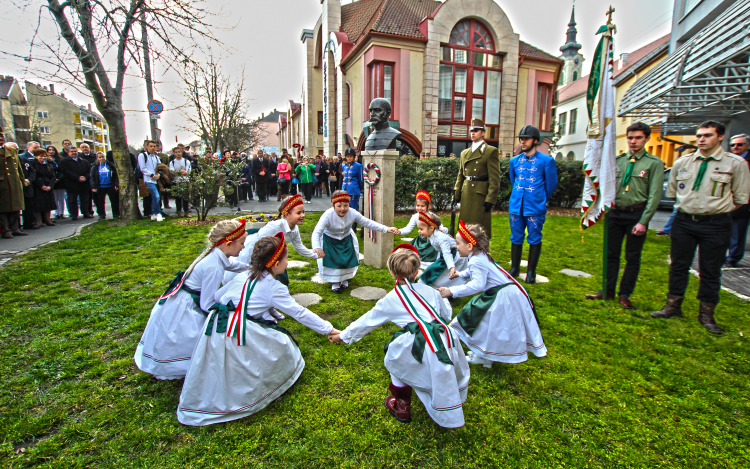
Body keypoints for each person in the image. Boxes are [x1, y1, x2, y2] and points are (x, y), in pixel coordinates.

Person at [177, 233, 338, 426]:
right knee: (283, 345)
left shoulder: (242, 276)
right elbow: (299, 312)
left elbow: (219, 296)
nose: (287, 262)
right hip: (241, 330)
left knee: (220, 366)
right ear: (275, 264)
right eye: (286, 259)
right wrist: (328, 328)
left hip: (217, 329)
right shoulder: (274, 287)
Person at [330, 244, 470, 427]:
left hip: (421, 342)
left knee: (394, 357)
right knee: (437, 368)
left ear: (392, 272)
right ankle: (446, 397)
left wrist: (343, 336)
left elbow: (367, 321)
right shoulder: (431, 291)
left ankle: (402, 405)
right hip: (445, 338)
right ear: (417, 271)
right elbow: (445, 314)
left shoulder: (391, 299)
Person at [652, 121, 750, 334]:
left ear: (720, 137)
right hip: (684, 221)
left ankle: (706, 313)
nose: (701, 139)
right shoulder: (683, 162)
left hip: (716, 223)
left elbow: (741, 198)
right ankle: (672, 306)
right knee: (678, 265)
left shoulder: (735, 164)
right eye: (698, 136)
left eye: (707, 135)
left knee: (711, 270)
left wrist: (714, 210)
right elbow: (672, 192)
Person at [134, 219, 249, 380]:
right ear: (229, 244)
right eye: (242, 243)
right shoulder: (214, 267)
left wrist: (251, 267)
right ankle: (185, 363)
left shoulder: (215, 254)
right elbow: (207, 304)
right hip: (188, 307)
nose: (244, 247)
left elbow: (231, 265)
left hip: (182, 300)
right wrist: (228, 311)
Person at [439, 221, 546, 367]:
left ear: (470, 246)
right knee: (488, 326)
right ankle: (484, 356)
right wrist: (459, 274)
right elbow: (473, 271)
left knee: (484, 323)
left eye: (458, 243)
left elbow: (477, 284)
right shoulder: (479, 255)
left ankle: (481, 354)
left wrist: (451, 291)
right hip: (506, 292)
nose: (455, 246)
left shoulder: (476, 260)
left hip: (501, 297)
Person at [583, 123, 664, 307]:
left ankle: (625, 294)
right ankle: (608, 290)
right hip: (615, 213)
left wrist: (644, 221)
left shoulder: (653, 163)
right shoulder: (617, 161)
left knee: (632, 256)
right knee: (611, 254)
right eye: (630, 137)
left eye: (638, 138)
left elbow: (654, 195)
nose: (633, 142)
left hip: (636, 213)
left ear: (647, 139)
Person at [225, 194, 324, 285]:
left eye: (303, 212)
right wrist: (256, 262)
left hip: (273, 255)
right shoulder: (274, 227)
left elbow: (299, 247)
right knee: (248, 277)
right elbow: (257, 244)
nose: (303, 215)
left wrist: (315, 255)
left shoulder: (295, 229)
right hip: (252, 251)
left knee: (279, 279)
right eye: (299, 213)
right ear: (287, 214)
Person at [312, 190, 399, 293]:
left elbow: (367, 222)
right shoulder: (327, 215)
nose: (343, 209)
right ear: (333, 205)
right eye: (339, 206)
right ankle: (335, 283)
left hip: (346, 238)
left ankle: (345, 279)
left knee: (346, 260)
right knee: (333, 261)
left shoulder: (353, 213)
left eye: (346, 205)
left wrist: (386, 229)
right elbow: (316, 232)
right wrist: (317, 247)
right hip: (330, 240)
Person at [507, 125, 558, 284]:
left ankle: (531, 272)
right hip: (516, 206)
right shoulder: (514, 161)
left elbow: (551, 185)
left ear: (535, 140)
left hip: (535, 207)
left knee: (534, 238)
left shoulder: (547, 161)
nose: (522, 141)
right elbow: (513, 180)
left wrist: (539, 197)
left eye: (526, 139)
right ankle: (514, 268)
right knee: (516, 237)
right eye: (521, 139)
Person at [452, 118, 500, 238]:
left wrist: (490, 198)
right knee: (465, 229)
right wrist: (456, 195)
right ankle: (464, 254)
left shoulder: (490, 151)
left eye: (476, 130)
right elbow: (461, 175)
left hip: (480, 196)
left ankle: (481, 253)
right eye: (472, 130)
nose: (473, 133)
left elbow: (494, 179)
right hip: (467, 193)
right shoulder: (464, 153)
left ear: (483, 133)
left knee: (479, 230)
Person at [416, 212, 467, 288]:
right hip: (445, 255)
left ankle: (432, 286)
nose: (418, 231)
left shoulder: (440, 238)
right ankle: (430, 285)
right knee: (438, 270)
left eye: (421, 229)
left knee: (438, 271)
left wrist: (451, 267)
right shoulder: (432, 234)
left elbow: (447, 253)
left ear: (431, 228)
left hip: (453, 255)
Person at [397, 190, 449, 265]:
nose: (420, 208)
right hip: (421, 240)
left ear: (429, 206)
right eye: (418, 205)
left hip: (431, 241)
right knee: (411, 252)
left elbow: (441, 228)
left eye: (422, 206)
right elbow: (408, 229)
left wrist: (443, 230)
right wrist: (399, 231)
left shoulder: (432, 216)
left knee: (432, 257)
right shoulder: (415, 217)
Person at [0, 128, 30, 238]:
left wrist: (22, 180)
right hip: (2, 184)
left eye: (2, 136)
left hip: (14, 182)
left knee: (16, 206)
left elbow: (18, 168)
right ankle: (5, 230)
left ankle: (15, 228)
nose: (0, 138)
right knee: (3, 208)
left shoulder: (11, 150)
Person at [725, 133, 750, 267]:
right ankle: (724, 256)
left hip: (743, 203)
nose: (735, 147)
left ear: (748, 146)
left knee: (738, 232)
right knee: (724, 231)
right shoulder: (728, 159)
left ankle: (733, 258)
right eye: (733, 145)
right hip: (726, 201)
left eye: (739, 144)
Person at [59, 145, 92, 221]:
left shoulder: (83, 161)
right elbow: (65, 171)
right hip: (71, 184)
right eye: (72, 151)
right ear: (68, 153)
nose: (74, 153)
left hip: (84, 183)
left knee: (85, 199)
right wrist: (77, 178)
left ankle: (85, 212)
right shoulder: (64, 161)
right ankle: (74, 214)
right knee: (72, 200)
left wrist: (85, 177)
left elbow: (89, 171)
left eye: (75, 151)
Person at [138, 140, 164, 221]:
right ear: (146, 147)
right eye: (151, 146)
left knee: (156, 197)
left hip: (156, 179)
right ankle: (158, 213)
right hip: (149, 180)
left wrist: (158, 175)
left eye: (154, 146)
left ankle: (153, 213)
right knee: (156, 196)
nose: (153, 148)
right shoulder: (142, 156)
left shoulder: (156, 157)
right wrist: (152, 175)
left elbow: (160, 167)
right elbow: (143, 168)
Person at [30, 149, 57, 226]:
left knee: (48, 204)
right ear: (36, 156)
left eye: (45, 156)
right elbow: (35, 177)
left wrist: (50, 186)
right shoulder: (33, 165)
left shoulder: (49, 165)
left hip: (48, 186)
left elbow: (53, 177)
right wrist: (42, 186)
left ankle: (47, 219)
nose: (43, 158)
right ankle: (39, 221)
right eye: (41, 156)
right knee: (38, 205)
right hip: (38, 187)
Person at [89, 151, 120, 219]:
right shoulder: (94, 166)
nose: (101, 158)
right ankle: (102, 215)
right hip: (100, 186)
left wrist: (116, 184)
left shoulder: (110, 165)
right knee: (100, 202)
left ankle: (116, 214)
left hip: (110, 186)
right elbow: (92, 177)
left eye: (102, 157)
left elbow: (115, 176)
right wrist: (93, 186)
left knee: (114, 201)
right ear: (97, 158)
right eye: (100, 157)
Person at [341, 149, 364, 221]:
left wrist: (360, 189)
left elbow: (360, 179)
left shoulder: (358, 166)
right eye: (347, 156)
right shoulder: (344, 166)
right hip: (344, 190)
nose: (349, 158)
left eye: (351, 156)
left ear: (354, 157)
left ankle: (353, 226)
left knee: (353, 209)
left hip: (354, 189)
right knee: (344, 208)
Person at [169, 147, 192, 217]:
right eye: (176, 152)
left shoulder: (186, 161)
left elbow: (188, 172)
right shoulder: (172, 162)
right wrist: (181, 171)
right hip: (176, 181)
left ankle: (186, 211)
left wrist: (179, 172)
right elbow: (172, 172)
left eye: (179, 152)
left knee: (186, 198)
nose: (178, 153)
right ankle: (178, 211)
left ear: (181, 152)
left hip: (185, 181)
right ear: (174, 153)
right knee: (178, 198)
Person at [47, 146, 66, 219]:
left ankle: (61, 213)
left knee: (61, 198)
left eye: (53, 150)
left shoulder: (60, 159)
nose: (51, 151)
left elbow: (62, 170)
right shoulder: (46, 160)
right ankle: (56, 213)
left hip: (60, 181)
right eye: (49, 150)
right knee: (54, 198)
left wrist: (59, 178)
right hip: (51, 181)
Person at [78, 143, 97, 217]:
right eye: (83, 147)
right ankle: (85, 212)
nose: (85, 148)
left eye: (86, 147)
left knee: (93, 197)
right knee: (85, 198)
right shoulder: (79, 157)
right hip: (84, 179)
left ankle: (91, 210)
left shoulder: (94, 156)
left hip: (93, 178)